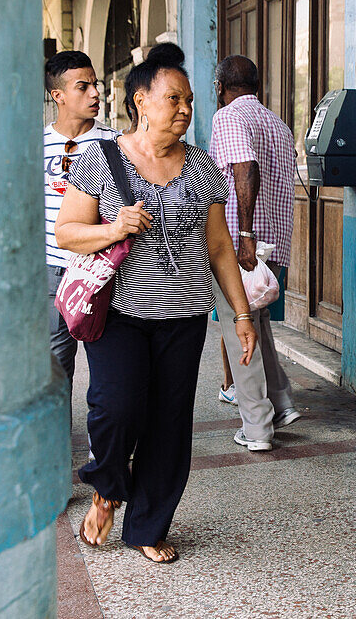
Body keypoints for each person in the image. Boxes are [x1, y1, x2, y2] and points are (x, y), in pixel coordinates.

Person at [55, 56, 257, 563]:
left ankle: (147, 526)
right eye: (175, 98)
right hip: (120, 314)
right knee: (116, 409)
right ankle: (107, 488)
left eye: (190, 100)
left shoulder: (203, 165)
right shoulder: (101, 159)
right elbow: (67, 233)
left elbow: (218, 248)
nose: (185, 108)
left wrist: (242, 313)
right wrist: (112, 228)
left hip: (184, 317)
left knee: (169, 425)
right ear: (140, 100)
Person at [208, 55, 301, 452]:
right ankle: (280, 404)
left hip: (242, 245)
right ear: (257, 85)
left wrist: (244, 235)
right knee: (257, 325)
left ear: (220, 86)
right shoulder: (277, 124)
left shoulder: (228, 117)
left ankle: (258, 428)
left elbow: (245, 168)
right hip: (274, 243)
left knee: (237, 327)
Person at [44, 51, 117, 387]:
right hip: (52, 272)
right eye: (82, 87)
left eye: (95, 84)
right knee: (56, 366)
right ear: (58, 95)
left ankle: (105, 440)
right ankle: (59, 440)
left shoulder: (114, 144)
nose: (94, 93)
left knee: (109, 366)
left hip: (101, 272)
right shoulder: (37, 145)